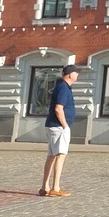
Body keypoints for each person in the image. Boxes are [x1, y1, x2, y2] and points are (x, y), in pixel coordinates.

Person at [41, 64, 80, 198]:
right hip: (58, 126)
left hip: (53, 125)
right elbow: (59, 108)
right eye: (76, 72)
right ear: (70, 74)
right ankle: (55, 187)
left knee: (51, 155)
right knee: (60, 155)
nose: (77, 75)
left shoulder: (61, 86)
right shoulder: (63, 87)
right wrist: (65, 125)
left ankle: (44, 187)